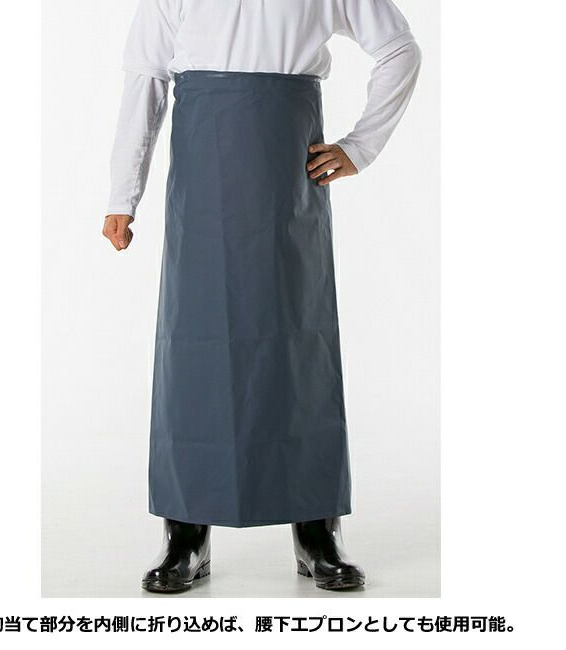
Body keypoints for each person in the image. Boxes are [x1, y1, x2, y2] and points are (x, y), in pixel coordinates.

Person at [103, 0, 421, 593]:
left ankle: (317, 531)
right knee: (195, 351)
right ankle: (185, 534)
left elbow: (399, 49)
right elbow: (145, 84)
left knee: (299, 347)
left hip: (287, 182)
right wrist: (123, 194)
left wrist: (361, 146)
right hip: (203, 183)